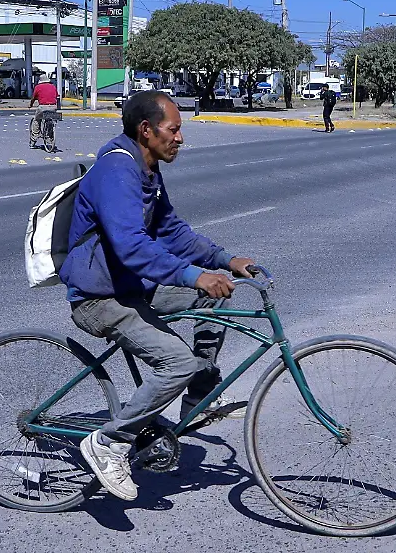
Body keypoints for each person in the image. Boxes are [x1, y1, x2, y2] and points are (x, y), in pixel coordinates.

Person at [60, 90, 256, 501]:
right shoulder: (117, 171)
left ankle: (198, 395)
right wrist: (192, 276)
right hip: (100, 298)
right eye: (174, 129)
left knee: (215, 297)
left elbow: (172, 232)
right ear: (146, 130)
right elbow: (131, 245)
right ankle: (109, 443)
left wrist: (223, 259)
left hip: (131, 287)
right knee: (176, 361)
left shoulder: (147, 169)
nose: (181, 138)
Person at [30, 76, 59, 149]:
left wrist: (30, 105)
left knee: (36, 120)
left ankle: (34, 139)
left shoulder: (38, 87)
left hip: (42, 107)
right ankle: (50, 136)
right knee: (51, 119)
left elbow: (33, 98)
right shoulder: (53, 86)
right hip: (53, 107)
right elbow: (56, 96)